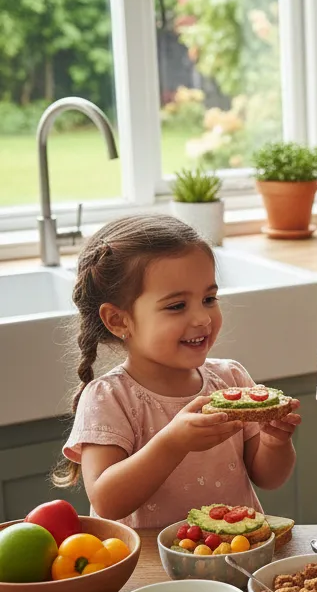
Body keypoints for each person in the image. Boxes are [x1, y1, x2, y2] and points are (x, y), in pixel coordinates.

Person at [56, 215, 300, 528]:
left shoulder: (231, 380)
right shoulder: (110, 398)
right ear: (119, 321)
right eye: (176, 306)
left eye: (208, 299)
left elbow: (269, 477)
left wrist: (275, 443)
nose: (202, 318)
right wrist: (173, 442)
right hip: (151, 570)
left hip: (231, 558)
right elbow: (107, 500)